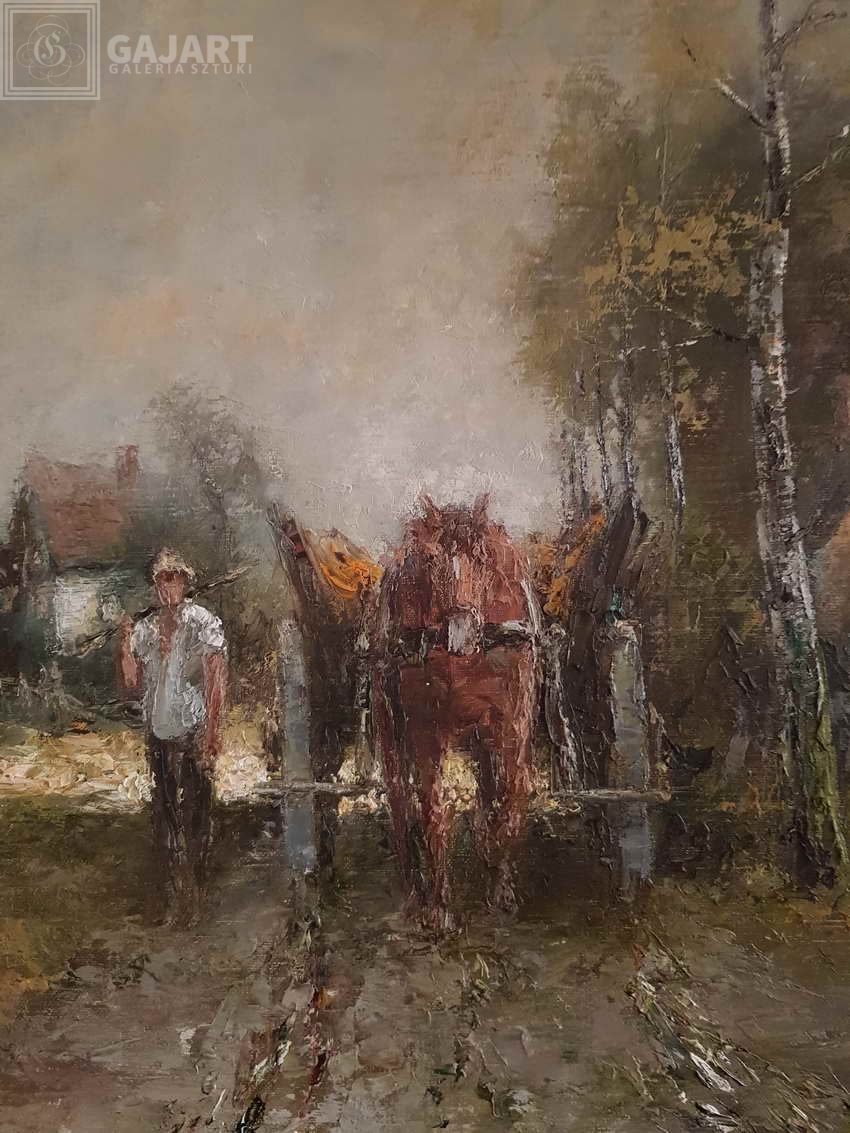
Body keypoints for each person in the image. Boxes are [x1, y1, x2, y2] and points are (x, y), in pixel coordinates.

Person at [118, 548, 228, 923]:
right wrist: (124, 644)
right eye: (162, 580)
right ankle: (168, 893)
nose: (168, 587)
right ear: (156, 586)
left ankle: (196, 891)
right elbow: (132, 683)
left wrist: (212, 732)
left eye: (174, 579)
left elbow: (216, 679)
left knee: (195, 812)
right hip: (158, 730)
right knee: (165, 813)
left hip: (191, 728)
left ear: (185, 582)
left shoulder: (202, 623)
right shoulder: (147, 629)